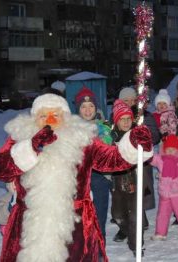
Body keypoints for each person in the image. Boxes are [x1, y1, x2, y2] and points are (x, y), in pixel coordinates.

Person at [0, 93, 153, 262]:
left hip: (74, 223)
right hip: (29, 222)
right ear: (34, 117)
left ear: (65, 117)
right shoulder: (20, 137)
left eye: (56, 115)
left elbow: (112, 159)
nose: (50, 120)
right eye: (43, 115)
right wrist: (31, 147)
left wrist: (134, 145)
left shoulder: (82, 139)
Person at [74, 86, 113, 240]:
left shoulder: (104, 128)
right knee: (79, 221)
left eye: (91, 106)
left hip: (99, 178)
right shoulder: (72, 129)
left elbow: (107, 151)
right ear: (78, 109)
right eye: (83, 107)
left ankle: (98, 253)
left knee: (98, 217)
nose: (88, 110)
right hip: (79, 180)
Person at [110, 99, 146, 257]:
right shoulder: (111, 138)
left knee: (134, 217)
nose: (125, 122)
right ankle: (129, 233)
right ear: (116, 121)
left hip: (134, 181)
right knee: (118, 215)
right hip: (117, 183)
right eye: (122, 119)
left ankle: (137, 246)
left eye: (128, 119)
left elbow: (146, 154)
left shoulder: (136, 135)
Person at [150, 134, 178, 240]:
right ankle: (160, 233)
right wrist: (147, 149)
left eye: (173, 149)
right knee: (162, 214)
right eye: (168, 149)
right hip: (164, 193)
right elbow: (151, 158)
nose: (170, 151)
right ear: (164, 149)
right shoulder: (161, 160)